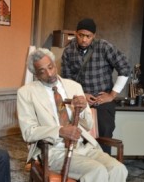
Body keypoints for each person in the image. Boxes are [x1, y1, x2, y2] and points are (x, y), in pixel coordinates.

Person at [17, 48, 128, 182]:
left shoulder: (74, 86)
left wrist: (81, 110)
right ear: (36, 74)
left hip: (83, 147)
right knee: (97, 171)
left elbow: (88, 125)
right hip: (54, 151)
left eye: (51, 67)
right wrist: (60, 131)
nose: (50, 73)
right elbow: (28, 132)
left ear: (54, 64)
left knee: (119, 169)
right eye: (42, 71)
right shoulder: (26, 93)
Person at [61, 18, 131, 154]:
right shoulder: (68, 51)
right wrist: (81, 95)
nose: (84, 40)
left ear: (94, 36)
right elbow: (66, 80)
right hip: (80, 100)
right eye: (81, 35)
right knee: (77, 132)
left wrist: (112, 95)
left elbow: (125, 68)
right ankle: (80, 163)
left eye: (88, 36)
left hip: (102, 100)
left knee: (105, 130)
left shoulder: (104, 47)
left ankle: (104, 163)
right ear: (76, 34)